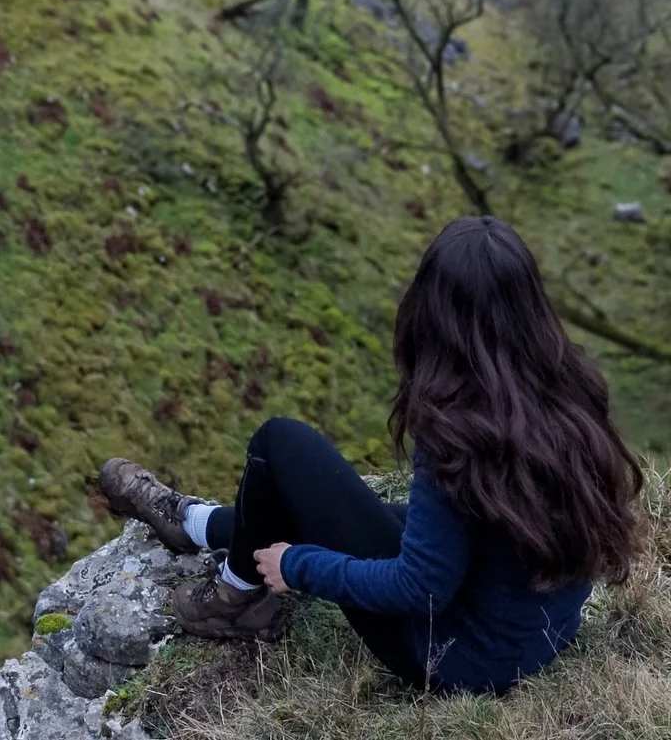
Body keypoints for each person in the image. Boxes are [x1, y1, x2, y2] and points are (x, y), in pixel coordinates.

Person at [98, 216, 643, 693]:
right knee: (349, 512)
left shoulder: (459, 426)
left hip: (455, 658)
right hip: (538, 632)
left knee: (279, 443)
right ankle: (191, 522)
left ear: (434, 307)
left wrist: (298, 566)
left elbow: (420, 587)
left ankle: (237, 596)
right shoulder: (569, 386)